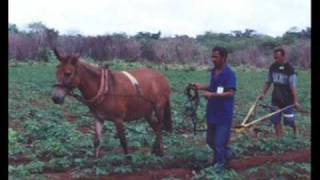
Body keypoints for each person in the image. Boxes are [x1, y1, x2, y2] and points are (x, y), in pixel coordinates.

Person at [194, 46, 237, 172]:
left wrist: (212, 95)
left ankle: (220, 166)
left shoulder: (229, 74)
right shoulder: (214, 71)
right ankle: (227, 154)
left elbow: (231, 93)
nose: (213, 59)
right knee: (210, 141)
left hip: (224, 114)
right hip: (212, 111)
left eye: (215, 57)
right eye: (212, 56)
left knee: (219, 143)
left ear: (223, 58)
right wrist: (201, 87)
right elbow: (213, 86)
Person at [259, 47, 300, 138]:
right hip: (276, 98)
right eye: (274, 58)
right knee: (275, 120)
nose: (276, 59)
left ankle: (295, 129)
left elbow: (293, 86)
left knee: (289, 121)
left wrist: (295, 101)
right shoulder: (273, 67)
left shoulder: (290, 69)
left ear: (284, 56)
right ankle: (279, 138)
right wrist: (263, 93)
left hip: (287, 99)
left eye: (277, 57)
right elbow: (268, 81)